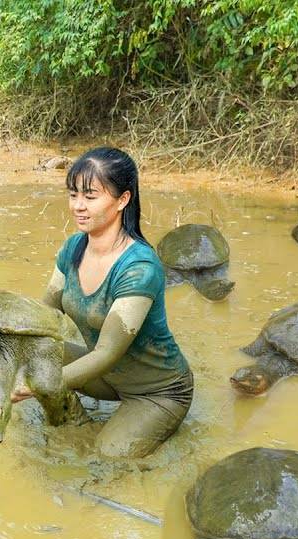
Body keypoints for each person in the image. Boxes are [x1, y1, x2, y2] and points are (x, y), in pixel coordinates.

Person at [12, 147, 192, 458]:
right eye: (73, 195)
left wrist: (40, 385)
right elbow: (42, 316)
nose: (78, 206)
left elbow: (107, 353)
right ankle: (74, 421)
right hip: (108, 379)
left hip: (157, 391)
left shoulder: (139, 268)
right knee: (29, 350)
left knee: (107, 457)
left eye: (90, 196)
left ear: (123, 200)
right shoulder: (73, 248)